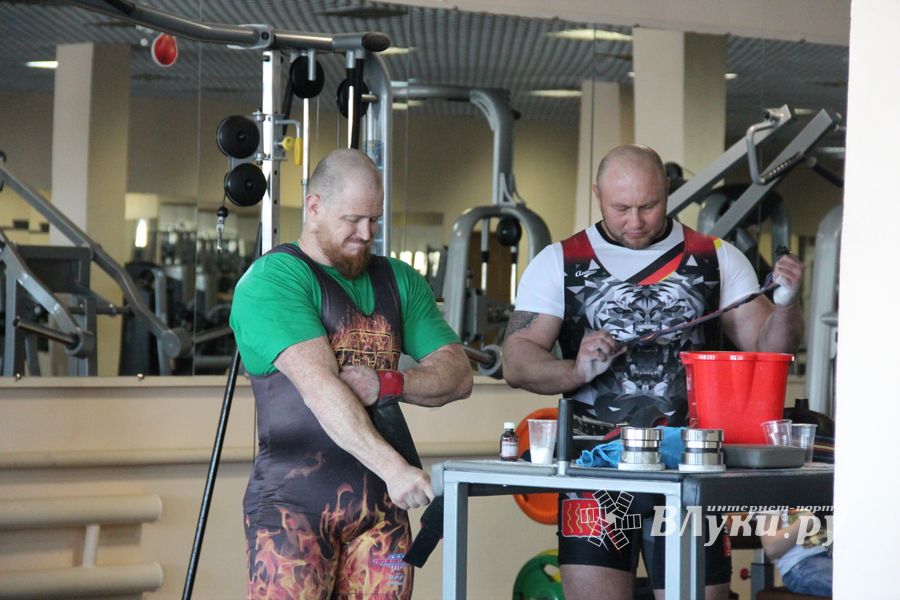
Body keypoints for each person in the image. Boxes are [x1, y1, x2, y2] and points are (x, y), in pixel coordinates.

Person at [502, 144, 804, 600]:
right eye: (620, 207)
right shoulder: (560, 262)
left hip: (689, 472)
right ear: (596, 195)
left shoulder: (717, 258)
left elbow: (768, 348)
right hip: (595, 473)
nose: (636, 220)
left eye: (649, 205)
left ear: (667, 191)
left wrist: (786, 305)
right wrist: (575, 370)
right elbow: (517, 360)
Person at [230, 148, 472, 599]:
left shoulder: (399, 280)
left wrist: (389, 382)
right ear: (314, 206)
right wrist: (396, 470)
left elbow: (457, 374)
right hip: (293, 511)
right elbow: (320, 388)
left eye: (375, 220)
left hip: (382, 513)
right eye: (353, 220)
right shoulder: (274, 280)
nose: (367, 234)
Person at [756, 509, 833, 597]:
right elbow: (771, 547)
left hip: (836, 557)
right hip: (803, 563)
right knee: (848, 585)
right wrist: (815, 516)